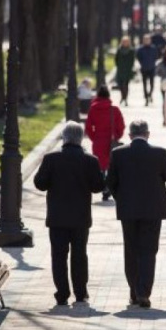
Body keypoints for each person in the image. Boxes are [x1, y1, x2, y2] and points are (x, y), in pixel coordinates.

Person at [106, 120, 166, 308]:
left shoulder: (118, 153)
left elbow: (110, 182)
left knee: (131, 250)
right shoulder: (159, 152)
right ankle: (143, 292)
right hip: (153, 210)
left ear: (129, 136)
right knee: (148, 251)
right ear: (147, 134)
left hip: (128, 210)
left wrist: (121, 198)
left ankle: (134, 291)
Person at [34, 121, 105, 305]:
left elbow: (40, 183)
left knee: (58, 256)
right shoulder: (90, 160)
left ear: (64, 137)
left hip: (57, 217)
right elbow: (98, 187)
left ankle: (62, 293)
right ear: (81, 138)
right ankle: (80, 293)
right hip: (80, 217)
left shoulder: (51, 158)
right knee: (79, 255)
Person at [84, 86, 125, 200]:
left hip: (98, 141)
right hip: (111, 142)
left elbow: (88, 128)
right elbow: (121, 126)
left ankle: (103, 187)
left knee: (101, 166)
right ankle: (109, 186)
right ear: (108, 96)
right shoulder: (114, 110)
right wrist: (116, 137)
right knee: (111, 165)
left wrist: (94, 138)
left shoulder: (92, 109)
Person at [137, 34, 159, 106]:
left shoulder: (153, 48)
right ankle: (146, 97)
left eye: (148, 40)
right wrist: (142, 64)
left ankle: (150, 94)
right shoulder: (140, 49)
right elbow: (138, 57)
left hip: (152, 68)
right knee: (144, 84)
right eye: (145, 40)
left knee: (152, 83)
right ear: (143, 41)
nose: (147, 41)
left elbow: (156, 56)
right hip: (144, 68)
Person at [115, 36, 135, 106]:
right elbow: (116, 59)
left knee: (125, 85)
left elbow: (132, 60)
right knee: (120, 85)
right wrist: (119, 66)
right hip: (120, 69)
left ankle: (125, 98)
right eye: (124, 41)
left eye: (126, 42)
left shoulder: (131, 50)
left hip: (128, 70)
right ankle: (122, 96)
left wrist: (130, 68)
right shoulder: (119, 50)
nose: (125, 43)